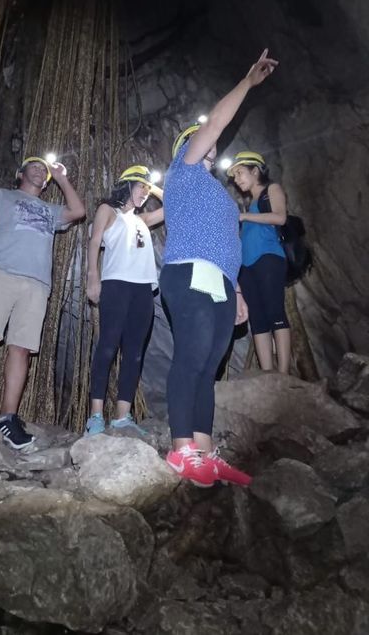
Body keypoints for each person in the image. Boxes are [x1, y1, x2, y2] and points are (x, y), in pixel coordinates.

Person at [162, 49, 278, 488]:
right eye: (200, 140)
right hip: (188, 271)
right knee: (191, 354)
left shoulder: (222, 197)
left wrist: (240, 292)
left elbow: (230, 244)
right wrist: (247, 82)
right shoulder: (184, 172)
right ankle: (180, 450)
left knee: (209, 365)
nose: (210, 144)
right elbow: (213, 123)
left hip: (222, 281)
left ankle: (206, 454)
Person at [0, 156, 85, 449]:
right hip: (0, 271)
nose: (41, 170)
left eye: (44, 170)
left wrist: (62, 178)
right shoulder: (3, 196)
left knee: (21, 349)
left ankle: (8, 418)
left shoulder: (50, 210)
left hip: (37, 283)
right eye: (35, 166)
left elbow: (78, 210)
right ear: (20, 172)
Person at [85, 166, 164, 435]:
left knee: (135, 353)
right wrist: (93, 277)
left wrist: (152, 187)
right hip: (116, 283)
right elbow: (94, 242)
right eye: (140, 186)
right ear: (127, 185)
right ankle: (95, 416)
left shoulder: (143, 219)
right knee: (107, 347)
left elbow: (175, 206)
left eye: (146, 188)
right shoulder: (108, 210)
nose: (144, 192)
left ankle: (122, 415)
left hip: (144, 289)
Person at [227, 151, 291, 374]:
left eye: (240, 173)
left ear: (255, 170)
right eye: (234, 175)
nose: (237, 179)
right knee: (257, 318)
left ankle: (283, 373)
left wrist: (244, 217)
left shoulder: (271, 190)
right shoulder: (249, 203)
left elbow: (279, 217)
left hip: (269, 258)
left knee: (275, 311)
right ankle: (267, 373)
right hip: (247, 266)